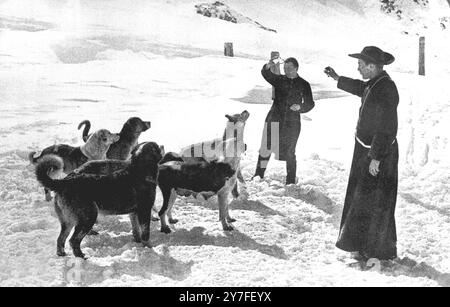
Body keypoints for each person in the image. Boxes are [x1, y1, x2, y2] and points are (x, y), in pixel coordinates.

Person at [324, 46, 399, 261]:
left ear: (372, 66)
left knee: (377, 201)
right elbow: (360, 87)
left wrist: (375, 156)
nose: (358, 69)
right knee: (363, 198)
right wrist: (338, 78)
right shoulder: (375, 83)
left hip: (379, 153)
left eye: (360, 65)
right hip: (366, 150)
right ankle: (363, 245)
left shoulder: (386, 88)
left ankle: (377, 250)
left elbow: (387, 127)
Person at [252, 56, 315, 185]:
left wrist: (300, 107)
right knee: (266, 147)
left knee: (290, 151)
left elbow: (310, 103)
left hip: (292, 123)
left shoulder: (304, 84)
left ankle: (291, 181)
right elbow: (266, 74)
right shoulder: (279, 80)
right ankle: (258, 175)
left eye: (289, 68)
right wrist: (268, 65)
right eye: (285, 68)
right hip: (274, 118)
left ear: (296, 68)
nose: (286, 71)